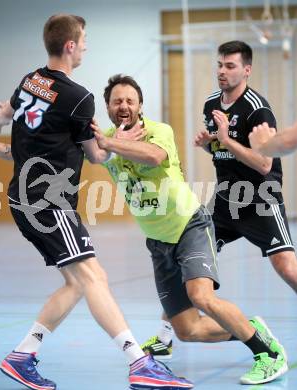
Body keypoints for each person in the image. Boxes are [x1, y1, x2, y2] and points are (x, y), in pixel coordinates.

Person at [0, 13, 193, 390]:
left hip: (24, 196)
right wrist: (125, 139)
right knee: (95, 277)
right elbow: (96, 156)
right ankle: (138, 362)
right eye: (85, 40)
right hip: (48, 201)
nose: (87, 47)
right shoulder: (79, 98)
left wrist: (2, 117)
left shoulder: (31, 80)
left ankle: (22, 355)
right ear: (71, 46)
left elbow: (15, 115)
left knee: (78, 283)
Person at [90, 74, 288, 385]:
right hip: (157, 241)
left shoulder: (158, 131)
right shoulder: (108, 143)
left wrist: (110, 142)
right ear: (108, 107)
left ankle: (269, 355)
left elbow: (155, 157)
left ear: (140, 105)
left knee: (201, 297)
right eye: (117, 101)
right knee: (187, 330)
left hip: (189, 226)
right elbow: (90, 153)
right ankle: (252, 330)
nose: (124, 106)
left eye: (130, 100)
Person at [147, 40, 297, 366]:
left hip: (260, 199)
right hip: (226, 201)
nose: (222, 71)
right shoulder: (212, 104)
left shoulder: (257, 109)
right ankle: (164, 337)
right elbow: (223, 152)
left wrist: (226, 139)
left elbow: (264, 163)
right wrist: (210, 144)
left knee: (287, 268)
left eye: (230, 66)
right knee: (183, 256)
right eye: (219, 65)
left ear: (247, 69)